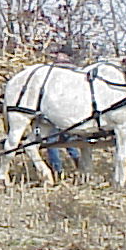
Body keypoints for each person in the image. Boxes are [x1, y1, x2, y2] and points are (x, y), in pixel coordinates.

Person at [45, 45, 81, 175]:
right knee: (69, 140)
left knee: (52, 142)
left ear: (65, 56)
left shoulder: (54, 71)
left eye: (59, 54)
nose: (57, 56)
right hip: (71, 112)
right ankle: (78, 165)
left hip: (56, 110)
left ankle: (58, 170)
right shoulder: (78, 71)